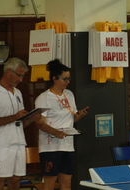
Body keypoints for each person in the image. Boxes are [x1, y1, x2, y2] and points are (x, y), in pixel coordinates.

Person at [0, 57, 41, 190]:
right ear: (8, 72)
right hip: (1, 145)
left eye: (22, 76)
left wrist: (31, 119)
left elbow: (19, 123)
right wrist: (14, 117)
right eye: (19, 75)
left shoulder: (18, 93)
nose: (21, 79)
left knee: (16, 180)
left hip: (19, 142)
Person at [34, 59, 89, 190]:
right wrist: (56, 132)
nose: (68, 82)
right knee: (50, 183)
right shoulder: (44, 98)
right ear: (54, 78)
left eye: (69, 78)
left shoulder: (69, 95)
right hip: (50, 147)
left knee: (66, 184)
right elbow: (40, 124)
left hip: (67, 146)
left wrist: (79, 115)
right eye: (64, 79)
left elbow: (72, 119)